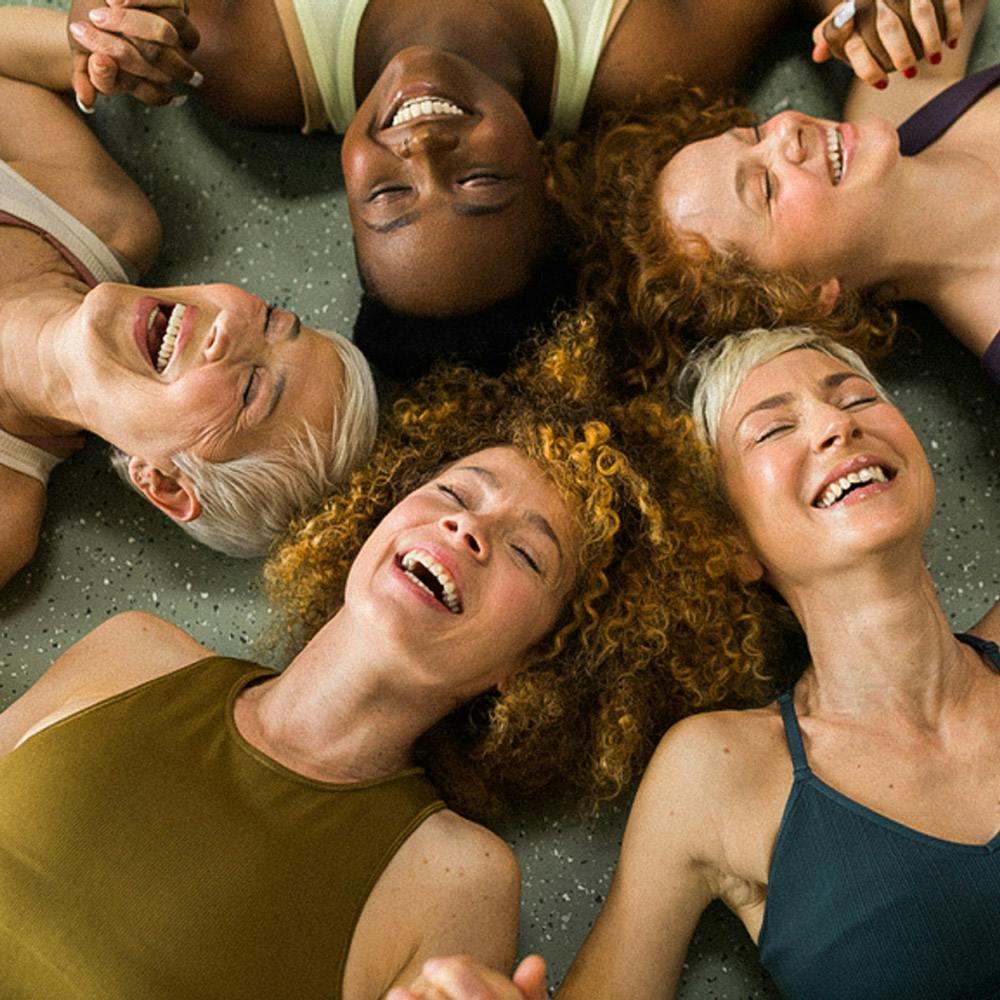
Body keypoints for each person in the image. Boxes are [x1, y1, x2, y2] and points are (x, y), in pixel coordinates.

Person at [0, 322, 766, 998]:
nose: (469, 528)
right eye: (458, 491)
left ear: (533, 668)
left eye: (529, 555)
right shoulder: (134, 651)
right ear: (372, 521)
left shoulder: (457, 877)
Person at [389, 326, 1000, 1000]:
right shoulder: (720, 773)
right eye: (771, 431)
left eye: (856, 399)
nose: (835, 425)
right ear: (733, 541)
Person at [59, 0, 962, 347]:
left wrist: (116, 13)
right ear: (549, 174)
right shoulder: (645, 56)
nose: (422, 151)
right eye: (477, 188)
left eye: (389, 196)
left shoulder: (240, 58)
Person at [0, 6, 377, 589]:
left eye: (252, 390)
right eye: (273, 321)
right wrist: (85, 45)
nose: (233, 330)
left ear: (167, 484)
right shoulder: (103, 218)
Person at [548, 0, 997, 389]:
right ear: (808, 295)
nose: (785, 129)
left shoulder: (892, 99)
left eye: (753, 133)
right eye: (765, 187)